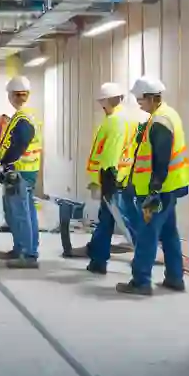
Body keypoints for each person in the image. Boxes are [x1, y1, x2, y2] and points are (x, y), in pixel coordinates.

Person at [116, 76, 189, 296]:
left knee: (147, 233)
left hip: (160, 189)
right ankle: (175, 278)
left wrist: (154, 190)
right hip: (170, 186)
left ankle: (141, 281)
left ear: (151, 98)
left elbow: (161, 157)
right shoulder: (167, 114)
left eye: (140, 100)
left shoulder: (160, 121)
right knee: (168, 233)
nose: (139, 104)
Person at [73, 82, 138, 272]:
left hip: (114, 179)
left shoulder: (114, 121)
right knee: (107, 220)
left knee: (128, 222)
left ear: (105, 102)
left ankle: (143, 259)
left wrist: (104, 181)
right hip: (123, 177)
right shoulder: (128, 119)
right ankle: (97, 260)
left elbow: (110, 153)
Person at [0, 76, 42, 269]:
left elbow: (19, 145)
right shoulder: (30, 115)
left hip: (19, 172)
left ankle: (27, 254)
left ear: (12, 96)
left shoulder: (23, 118)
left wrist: (5, 163)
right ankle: (22, 249)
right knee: (26, 212)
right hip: (28, 170)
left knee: (20, 213)